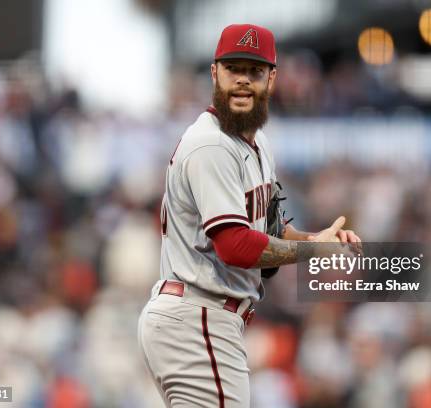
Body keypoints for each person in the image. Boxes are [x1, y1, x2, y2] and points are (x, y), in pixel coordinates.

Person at [137, 23, 361, 408]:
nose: (242, 80)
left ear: (272, 78)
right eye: (233, 68)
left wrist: (314, 240)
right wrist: (311, 254)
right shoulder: (212, 143)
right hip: (198, 316)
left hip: (207, 318)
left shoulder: (257, 144)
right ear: (214, 73)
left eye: (254, 71)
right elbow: (236, 246)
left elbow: (269, 229)